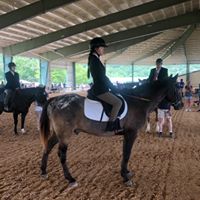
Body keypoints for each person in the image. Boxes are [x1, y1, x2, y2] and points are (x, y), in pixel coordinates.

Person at [88, 37, 122, 132]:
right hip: (100, 90)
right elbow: (102, 78)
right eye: (102, 47)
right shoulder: (94, 60)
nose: (103, 49)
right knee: (118, 102)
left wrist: (112, 87)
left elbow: (103, 77)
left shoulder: (95, 59)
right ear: (96, 48)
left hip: (101, 87)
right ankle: (110, 125)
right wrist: (113, 88)